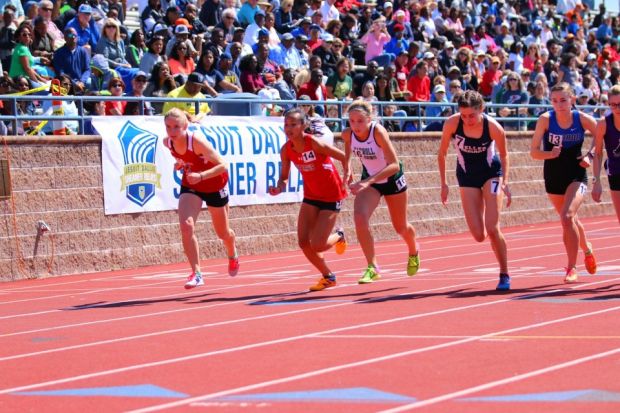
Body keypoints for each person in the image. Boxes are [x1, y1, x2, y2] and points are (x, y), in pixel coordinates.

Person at [438, 90, 512, 291]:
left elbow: (505, 156)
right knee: (479, 235)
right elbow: (442, 153)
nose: (468, 120)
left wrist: (504, 182)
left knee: (492, 227)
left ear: (482, 110)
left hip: (491, 173)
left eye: (472, 115)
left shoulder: (494, 127)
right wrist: (444, 184)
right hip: (467, 175)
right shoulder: (452, 124)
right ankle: (492, 240)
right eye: (464, 115)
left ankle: (504, 273)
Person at [268, 108, 347, 292]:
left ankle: (339, 236)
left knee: (318, 244)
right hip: (311, 196)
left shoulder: (315, 143)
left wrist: (347, 175)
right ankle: (328, 276)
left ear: (303, 126)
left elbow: (343, 157)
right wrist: (278, 187)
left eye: (293, 124)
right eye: (286, 124)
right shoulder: (286, 150)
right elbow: (284, 177)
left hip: (331, 195)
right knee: (303, 242)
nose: (289, 128)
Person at [341, 100, 420, 284]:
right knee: (360, 217)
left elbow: (394, 164)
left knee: (400, 226)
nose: (356, 126)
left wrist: (367, 181)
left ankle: (413, 249)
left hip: (392, 179)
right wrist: (348, 170)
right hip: (371, 182)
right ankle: (372, 266)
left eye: (360, 121)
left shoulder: (378, 132)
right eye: (352, 121)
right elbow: (347, 156)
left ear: (369, 119)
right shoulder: (347, 135)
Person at [163, 108, 239, 289]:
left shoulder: (196, 141)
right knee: (186, 226)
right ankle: (196, 273)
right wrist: (180, 164)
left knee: (223, 233)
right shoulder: (168, 142)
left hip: (214, 184)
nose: (172, 132)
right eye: (168, 127)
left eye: (176, 127)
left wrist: (202, 175)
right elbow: (184, 158)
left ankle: (232, 251)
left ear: (185, 126)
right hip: (192, 184)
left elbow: (223, 165)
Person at [530, 82, 598, 284]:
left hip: (576, 173)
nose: (559, 105)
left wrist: (591, 155)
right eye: (555, 101)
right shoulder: (545, 120)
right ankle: (587, 249)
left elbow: (600, 136)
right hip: (553, 175)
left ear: (572, 100)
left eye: (563, 100)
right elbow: (533, 152)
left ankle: (571, 267)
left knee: (567, 217)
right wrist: (549, 153)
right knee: (570, 220)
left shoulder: (582, 119)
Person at [592, 84, 620, 223]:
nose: (617, 109)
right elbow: (597, 153)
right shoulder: (604, 123)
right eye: (613, 105)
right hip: (616, 172)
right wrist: (596, 181)